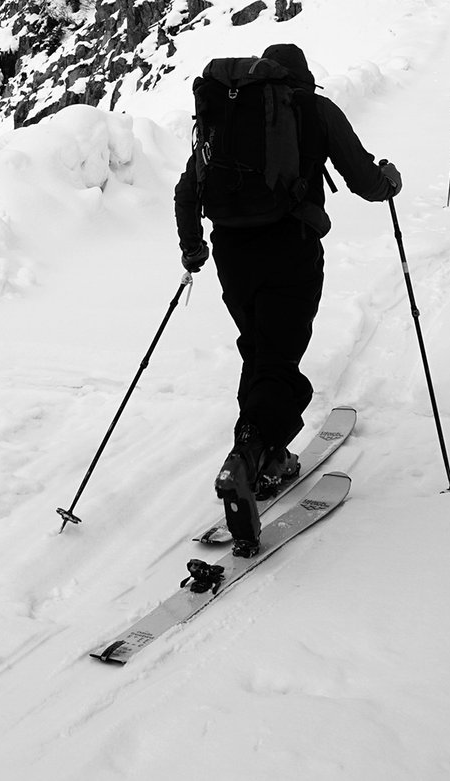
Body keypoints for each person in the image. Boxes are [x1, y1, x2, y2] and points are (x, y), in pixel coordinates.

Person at [173, 42, 400, 552]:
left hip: (232, 251)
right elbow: (366, 181)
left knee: (258, 349)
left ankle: (270, 458)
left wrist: (194, 251)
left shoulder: (231, 119)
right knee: (278, 357)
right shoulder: (312, 109)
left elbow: (188, 191)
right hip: (289, 247)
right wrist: (389, 181)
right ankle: (248, 454)